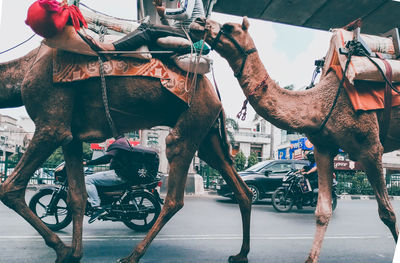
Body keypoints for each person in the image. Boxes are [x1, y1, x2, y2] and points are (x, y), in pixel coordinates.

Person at [87, 0, 207, 53]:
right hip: (183, 33)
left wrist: (164, 11)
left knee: (147, 28)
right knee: (150, 33)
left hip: (191, 35)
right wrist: (162, 16)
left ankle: (112, 48)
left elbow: (185, 13)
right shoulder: (178, 3)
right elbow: (170, 29)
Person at [84, 137, 131, 223]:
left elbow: (106, 159)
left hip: (118, 174)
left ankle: (97, 207)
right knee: (93, 177)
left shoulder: (120, 143)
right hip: (120, 173)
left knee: (88, 179)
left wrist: (87, 163)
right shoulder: (124, 142)